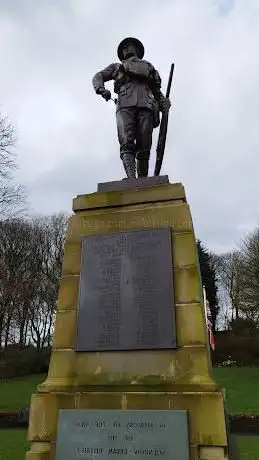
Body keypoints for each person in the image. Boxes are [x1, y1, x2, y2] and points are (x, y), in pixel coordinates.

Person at [92, 37, 170, 178]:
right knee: (126, 142)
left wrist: (164, 102)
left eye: (129, 46)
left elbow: (157, 92)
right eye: (124, 48)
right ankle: (131, 178)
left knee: (144, 145)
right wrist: (101, 89)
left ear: (137, 50)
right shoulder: (116, 67)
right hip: (124, 104)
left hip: (146, 104)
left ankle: (142, 179)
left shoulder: (149, 67)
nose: (126, 49)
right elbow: (99, 76)